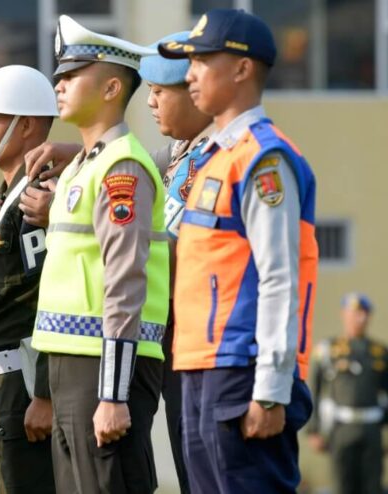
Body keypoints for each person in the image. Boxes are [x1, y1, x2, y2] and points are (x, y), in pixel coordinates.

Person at [158, 8, 319, 493]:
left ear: (243, 69)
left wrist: (271, 389)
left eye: (202, 61)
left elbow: (279, 277)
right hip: (197, 366)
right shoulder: (210, 159)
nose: (189, 75)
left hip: (241, 369)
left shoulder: (262, 158)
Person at [30, 16, 169, 493]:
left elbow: (124, 280)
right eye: (59, 76)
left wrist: (113, 393)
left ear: (112, 87)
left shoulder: (121, 167)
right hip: (72, 361)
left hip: (104, 365)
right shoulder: (82, 166)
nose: (59, 84)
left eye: (72, 76)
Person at [0, 64, 57, 494]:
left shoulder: (39, 194)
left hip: (25, 383)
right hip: (2, 384)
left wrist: (45, 393)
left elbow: (50, 296)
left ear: (27, 125)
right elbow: (7, 265)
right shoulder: (6, 197)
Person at [138, 31, 216, 494]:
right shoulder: (180, 154)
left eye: (159, 91)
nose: (150, 103)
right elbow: (129, 165)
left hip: (204, 335)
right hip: (173, 334)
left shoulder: (221, 155)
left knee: (207, 471)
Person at [308, 293, 388, 494]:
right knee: (344, 485)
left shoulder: (380, 352)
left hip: (372, 427)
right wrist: (314, 429)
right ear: (344, 314)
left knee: (373, 486)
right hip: (341, 428)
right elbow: (316, 391)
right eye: (354, 313)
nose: (359, 318)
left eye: (363, 313)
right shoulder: (328, 350)